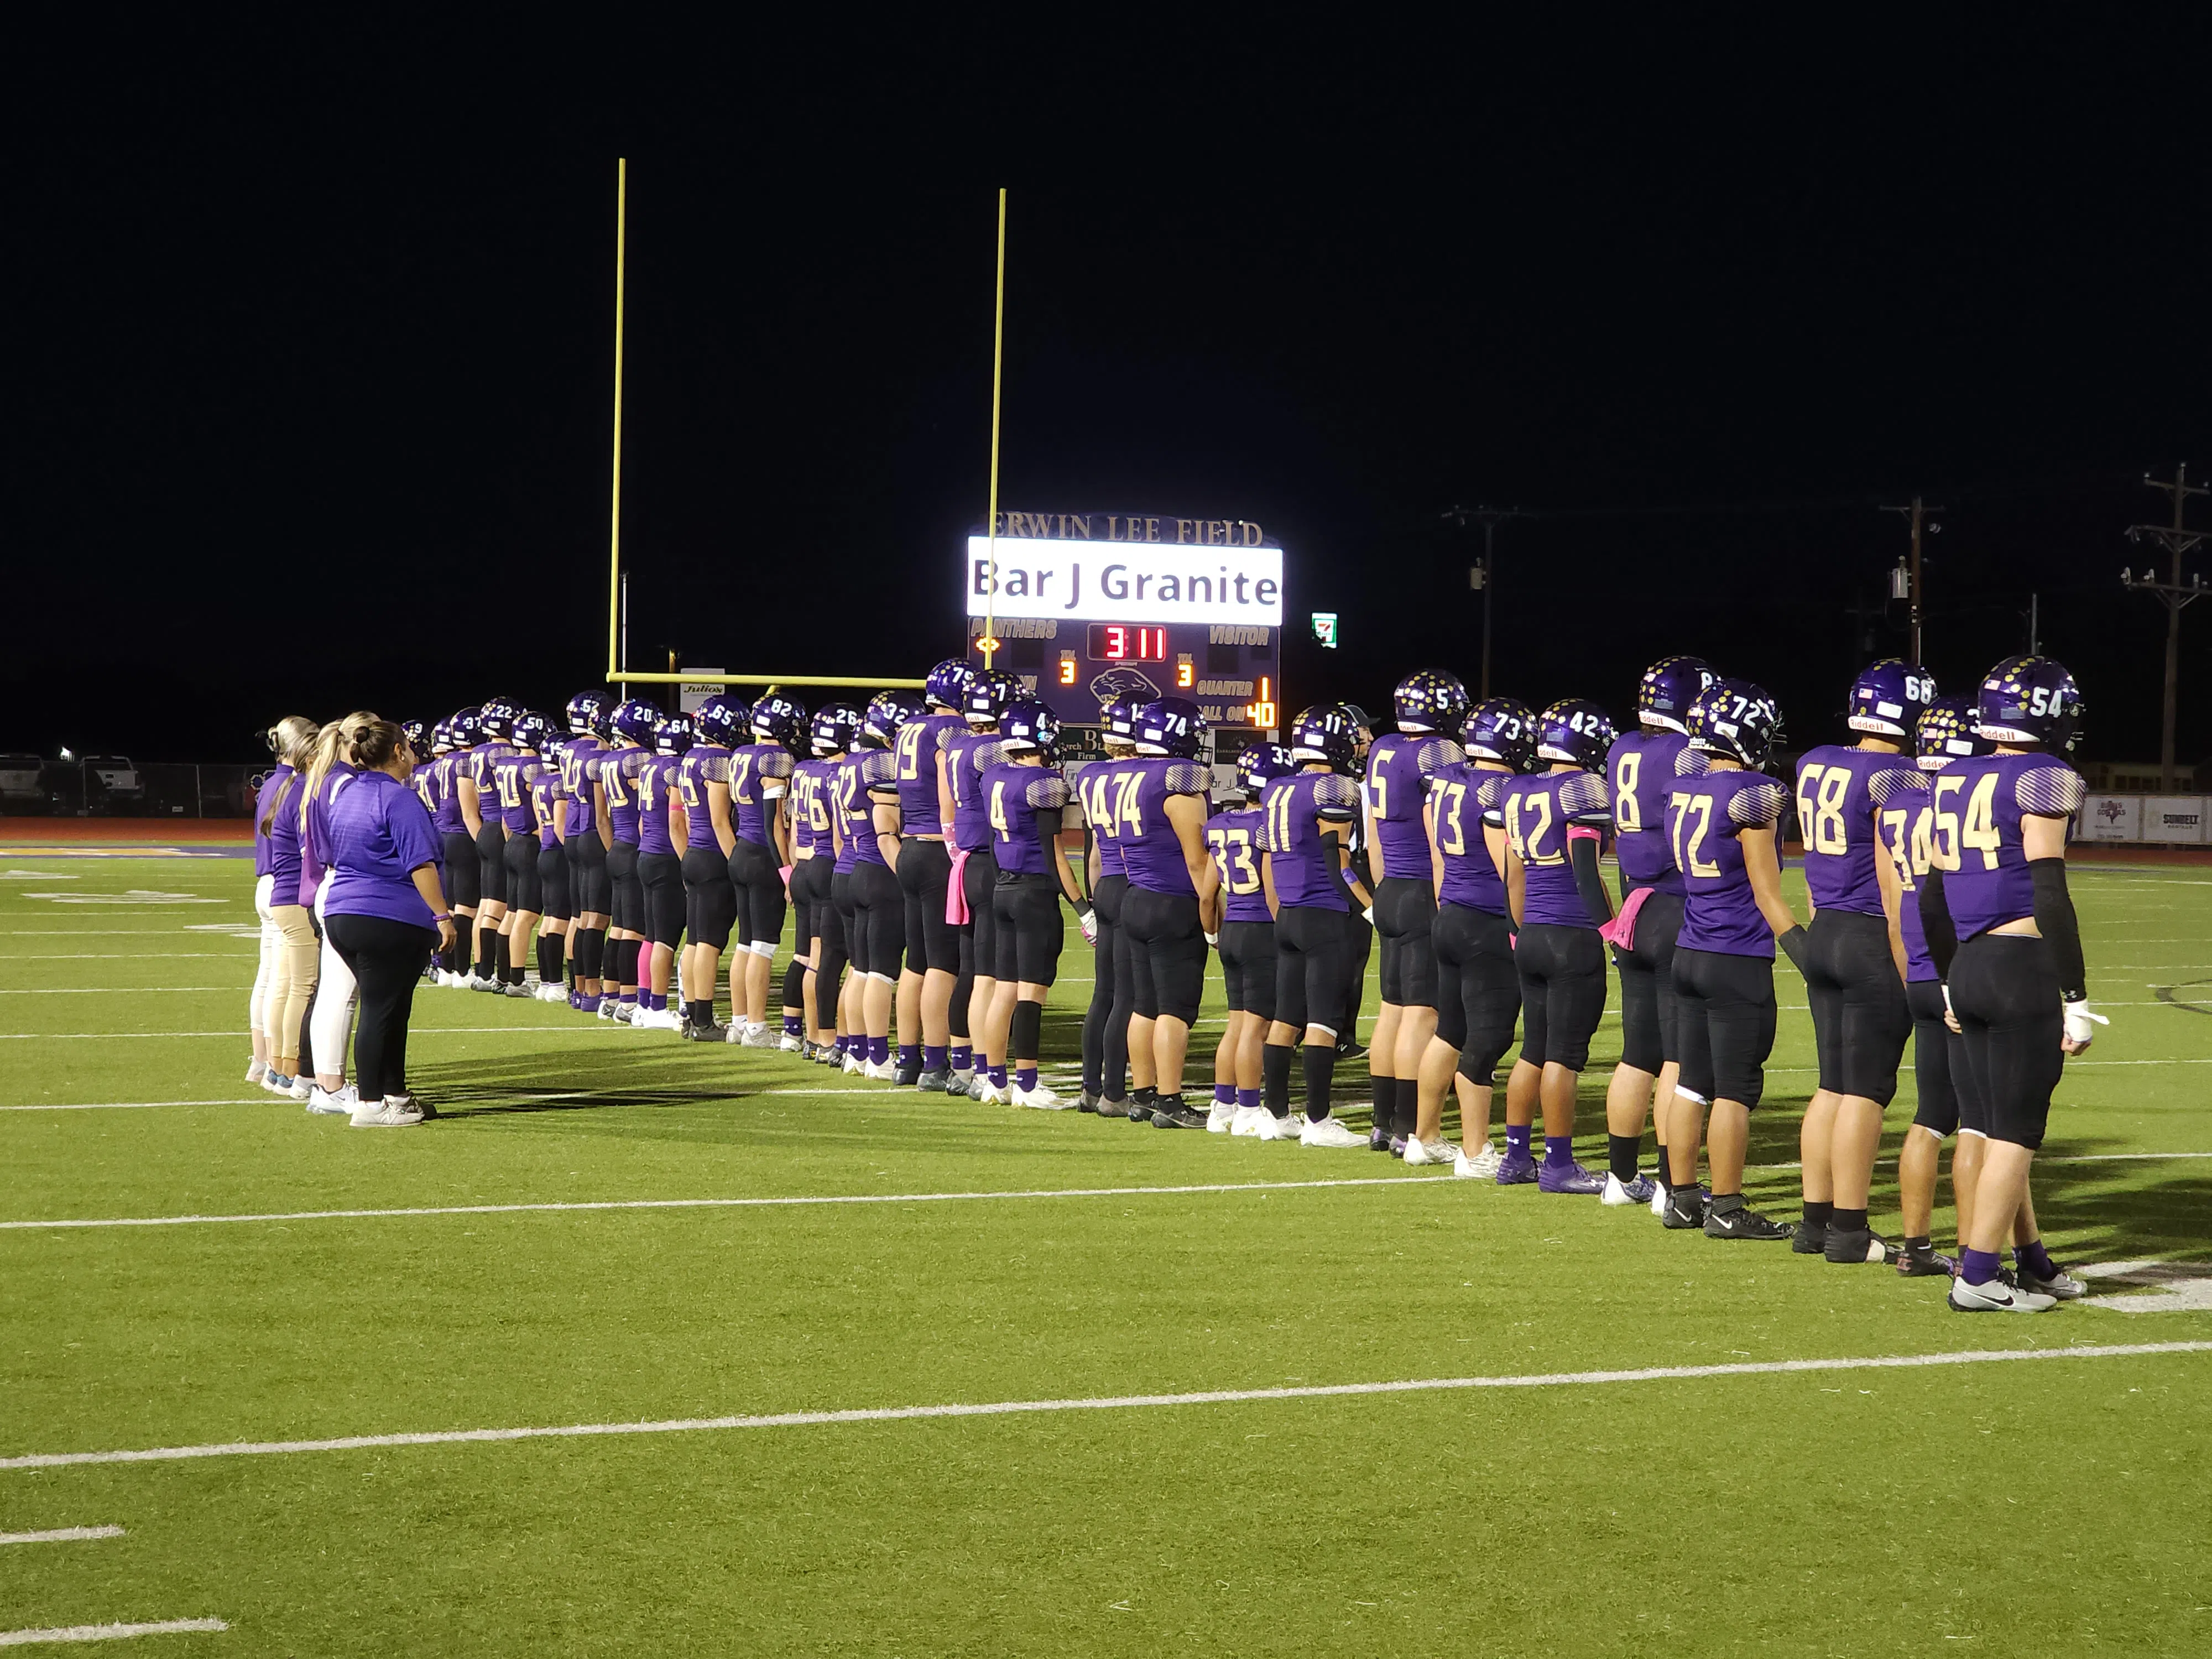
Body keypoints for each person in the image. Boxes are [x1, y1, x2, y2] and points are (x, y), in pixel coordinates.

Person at [1918, 656, 2098, 1313]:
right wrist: (2076, 997)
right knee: (2017, 1132)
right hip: (2018, 967)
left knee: (1995, 1128)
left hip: (1964, 964)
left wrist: (1943, 980)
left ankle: (2032, 1262)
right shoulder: (2045, 777)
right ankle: (1977, 1277)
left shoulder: (1953, 775)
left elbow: (1931, 896)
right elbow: (2049, 893)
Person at [1793, 659, 1932, 1264]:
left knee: (1830, 1085)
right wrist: (1912, 967)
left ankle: (1814, 1222)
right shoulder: (1898, 776)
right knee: (1866, 1092)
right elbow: (1893, 878)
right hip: (1869, 934)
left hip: (1823, 925)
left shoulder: (1815, 760)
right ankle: (1849, 1231)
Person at [1661, 680, 1804, 1240]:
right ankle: (1725, 1206)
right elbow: (1768, 894)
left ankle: (1679, 1198)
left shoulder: (1683, 787)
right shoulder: (1756, 794)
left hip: (1689, 947)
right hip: (1735, 955)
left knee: (1692, 1082)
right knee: (1735, 1090)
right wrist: (1806, 952)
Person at [1600, 656, 1714, 1209]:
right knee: (1676, 1056)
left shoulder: (1622, 747)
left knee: (1636, 1052)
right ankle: (1671, 1184)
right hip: (1674, 906)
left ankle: (1620, 1178)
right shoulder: (1686, 755)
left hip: (1634, 908)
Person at [1496, 698, 1620, 1192]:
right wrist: (1613, 934)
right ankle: (1560, 1165)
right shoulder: (1581, 790)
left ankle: (1515, 1157)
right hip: (1571, 936)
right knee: (1563, 1057)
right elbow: (1587, 875)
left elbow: (1514, 877)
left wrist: (1516, 931)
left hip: (1531, 936)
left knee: (1532, 1050)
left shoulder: (1517, 788)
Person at [1410, 697, 1535, 1175]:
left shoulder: (1445, 779)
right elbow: (1511, 872)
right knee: (1489, 1036)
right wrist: (1519, 931)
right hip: (1486, 920)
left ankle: (1425, 1137)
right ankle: (1476, 1150)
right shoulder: (1497, 788)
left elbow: (1438, 858)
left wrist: (1449, 911)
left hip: (1451, 912)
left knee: (1451, 1031)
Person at [1888, 695, 1987, 1278]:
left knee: (1929, 1115)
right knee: (1977, 1121)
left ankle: (1915, 1246)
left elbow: (1892, 899)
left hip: (1918, 971)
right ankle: (1978, 1254)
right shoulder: (1961, 804)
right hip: (1957, 969)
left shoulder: (1895, 805)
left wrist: (1915, 978)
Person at [319, 716, 458, 1128]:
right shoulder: (399, 799)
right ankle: (370, 1102)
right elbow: (420, 864)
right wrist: (443, 916)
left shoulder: (347, 793)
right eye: (410, 747)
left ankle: (395, 1094)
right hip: (387, 913)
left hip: (343, 910)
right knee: (382, 1008)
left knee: (393, 1007)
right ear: (398, 752)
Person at [1363, 670, 1469, 1152]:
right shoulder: (1437, 753)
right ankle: (1409, 1127)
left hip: (1390, 887)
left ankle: (1384, 1122)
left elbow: (1372, 822)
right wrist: (1445, 898)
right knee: (1421, 1014)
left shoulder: (1383, 746)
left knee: (1391, 1009)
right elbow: (1438, 834)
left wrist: (1384, 885)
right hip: (1422, 886)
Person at [1256, 705, 1367, 1146]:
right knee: (1323, 1020)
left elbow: (1267, 860)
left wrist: (1277, 910)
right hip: (1325, 913)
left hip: (1288, 914)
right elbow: (1337, 860)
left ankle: (1275, 1113)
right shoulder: (1334, 788)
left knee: (1285, 1018)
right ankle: (1318, 1121)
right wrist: (1369, 907)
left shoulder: (1275, 789)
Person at [975, 700, 1086, 1107]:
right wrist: (1082, 908)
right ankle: (1027, 1084)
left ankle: (994, 1079)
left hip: (1002, 888)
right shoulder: (1043, 783)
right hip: (1034, 894)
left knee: (1004, 990)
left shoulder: (992, 777)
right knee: (1030, 993)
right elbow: (1054, 853)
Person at [1117, 697, 1215, 1127]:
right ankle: (1170, 1100)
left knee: (1145, 1005)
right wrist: (1212, 912)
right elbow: (1197, 861)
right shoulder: (1178, 782)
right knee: (1174, 1008)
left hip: (1135, 895)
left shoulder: (1127, 775)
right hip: (1173, 902)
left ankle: (1142, 1095)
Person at [888, 662, 972, 1084]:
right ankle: (937, 1062)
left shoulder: (908, 728)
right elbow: (947, 788)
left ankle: (908, 1058)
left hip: (909, 847)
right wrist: (955, 840)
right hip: (938, 848)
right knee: (943, 963)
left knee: (916, 962)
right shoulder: (948, 731)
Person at [1208, 743, 1291, 1135]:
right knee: (1257, 1027)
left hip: (1233, 928)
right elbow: (1273, 889)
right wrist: (1284, 930)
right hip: (1261, 927)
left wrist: (1212, 931)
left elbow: (1208, 893)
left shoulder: (1222, 824)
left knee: (1237, 1023)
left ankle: (1223, 1104)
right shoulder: (1267, 827)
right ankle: (1246, 1108)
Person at [945, 672, 1015, 1093]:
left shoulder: (956, 745)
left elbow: (949, 805)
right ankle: (988, 1072)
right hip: (989, 860)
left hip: (967, 860)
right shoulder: (992, 750)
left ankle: (964, 1064)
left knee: (971, 971)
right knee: (988, 975)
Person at [300, 714, 373, 1114]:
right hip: (345, 883)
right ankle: (331, 1087)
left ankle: (326, 1085)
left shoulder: (326, 778)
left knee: (335, 992)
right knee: (342, 994)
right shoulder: (344, 782)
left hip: (330, 884)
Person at [248, 716, 319, 1098]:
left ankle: (268, 1062)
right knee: (296, 986)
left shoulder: (275, 783)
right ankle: (287, 1068)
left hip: (272, 884)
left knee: (276, 982)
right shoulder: (297, 787)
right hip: (288, 886)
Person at [1075, 696, 1139, 1114]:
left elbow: (1094, 853)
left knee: (1104, 993)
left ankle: (1090, 1087)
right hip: (1138, 884)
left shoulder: (1091, 775)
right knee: (1128, 995)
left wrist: (1095, 904)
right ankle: (1114, 1091)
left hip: (1107, 885)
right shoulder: (1146, 774)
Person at [731, 693, 804, 1048]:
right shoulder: (775, 758)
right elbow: (773, 823)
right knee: (762, 946)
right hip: (763, 856)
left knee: (745, 942)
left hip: (742, 850)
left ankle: (740, 1022)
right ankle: (757, 1027)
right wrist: (786, 871)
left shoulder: (741, 754)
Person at [677, 695, 745, 1039]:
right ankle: (702, 1021)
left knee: (695, 940)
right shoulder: (718, 759)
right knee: (709, 942)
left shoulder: (690, 757)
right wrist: (737, 861)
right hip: (713, 855)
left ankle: (692, 1016)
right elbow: (720, 821)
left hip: (694, 852)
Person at [804, 702, 864, 1065]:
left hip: (812, 859)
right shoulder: (849, 772)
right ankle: (838, 1040)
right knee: (855, 963)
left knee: (822, 960)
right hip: (840, 863)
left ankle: (817, 1037)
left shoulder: (806, 771)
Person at [597, 697, 659, 1023]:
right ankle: (628, 999)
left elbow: (601, 817)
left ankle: (610, 996)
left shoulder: (608, 760)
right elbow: (646, 812)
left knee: (619, 929)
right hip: (636, 845)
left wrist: (613, 849)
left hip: (617, 846)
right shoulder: (640, 760)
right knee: (633, 930)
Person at [633, 713, 693, 1031]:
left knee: (652, 935)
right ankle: (656, 1005)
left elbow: (644, 820)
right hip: (666, 857)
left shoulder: (650, 767)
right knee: (666, 939)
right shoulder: (674, 770)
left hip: (647, 853)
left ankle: (644, 1004)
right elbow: (675, 824)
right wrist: (687, 864)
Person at [487, 712, 554, 998]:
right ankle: (515, 979)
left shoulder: (505, 765)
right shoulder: (533, 768)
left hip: (512, 840)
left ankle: (503, 976)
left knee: (512, 913)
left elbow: (505, 815)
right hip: (528, 842)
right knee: (526, 915)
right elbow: (542, 810)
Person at [461, 697, 520, 989]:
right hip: (501, 826)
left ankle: (480, 967)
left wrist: (483, 838)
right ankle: (489, 973)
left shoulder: (474, 755)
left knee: (486, 903)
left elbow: (469, 810)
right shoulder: (509, 752)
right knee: (498, 905)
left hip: (485, 828)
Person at [561, 691, 612, 1013]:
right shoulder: (598, 753)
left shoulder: (568, 750)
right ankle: (592, 990)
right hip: (593, 834)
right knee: (596, 919)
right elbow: (602, 813)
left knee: (580, 918)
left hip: (572, 834)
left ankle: (578, 989)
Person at [425, 714, 479, 988]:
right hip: (461, 834)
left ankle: (443, 966)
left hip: (439, 835)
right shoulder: (465, 762)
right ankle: (461, 969)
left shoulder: (435, 767)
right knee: (466, 909)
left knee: (446, 906)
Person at [530, 737, 573, 1003]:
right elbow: (560, 826)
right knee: (558, 919)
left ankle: (547, 981)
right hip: (557, 853)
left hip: (545, 851)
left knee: (548, 920)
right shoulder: (559, 784)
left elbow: (540, 822)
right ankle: (555, 981)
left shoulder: (540, 783)